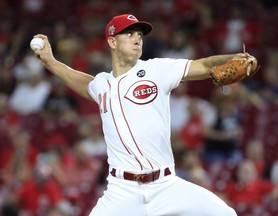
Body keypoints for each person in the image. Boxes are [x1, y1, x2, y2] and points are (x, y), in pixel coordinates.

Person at [30, 13, 259, 216]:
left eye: (139, 34)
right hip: (122, 191)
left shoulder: (157, 69)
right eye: (128, 34)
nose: (137, 38)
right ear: (112, 41)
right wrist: (50, 62)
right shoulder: (102, 85)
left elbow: (204, 65)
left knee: (225, 213)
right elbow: (83, 82)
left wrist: (234, 58)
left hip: (165, 185)